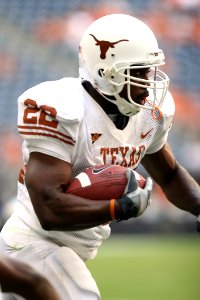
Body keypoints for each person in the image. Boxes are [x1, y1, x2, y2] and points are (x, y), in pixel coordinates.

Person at [0, 13, 200, 300]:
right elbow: (49, 209)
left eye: (150, 71)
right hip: (32, 244)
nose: (149, 81)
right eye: (139, 72)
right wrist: (117, 208)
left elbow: (169, 174)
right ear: (108, 73)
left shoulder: (149, 114)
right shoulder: (64, 107)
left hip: (69, 249)